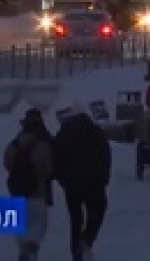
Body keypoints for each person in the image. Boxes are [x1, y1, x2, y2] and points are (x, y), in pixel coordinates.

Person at [53, 104, 111, 261]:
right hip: (94, 182)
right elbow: (105, 155)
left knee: (76, 218)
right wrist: (104, 178)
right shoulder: (95, 131)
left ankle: (76, 254)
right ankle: (87, 240)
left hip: (72, 183)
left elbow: (55, 159)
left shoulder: (62, 134)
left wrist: (62, 178)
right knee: (97, 212)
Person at [5, 109, 55, 261]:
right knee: (39, 224)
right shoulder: (43, 146)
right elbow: (49, 169)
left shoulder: (14, 144)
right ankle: (31, 247)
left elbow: (7, 163)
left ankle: (24, 250)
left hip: (17, 192)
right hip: (37, 192)